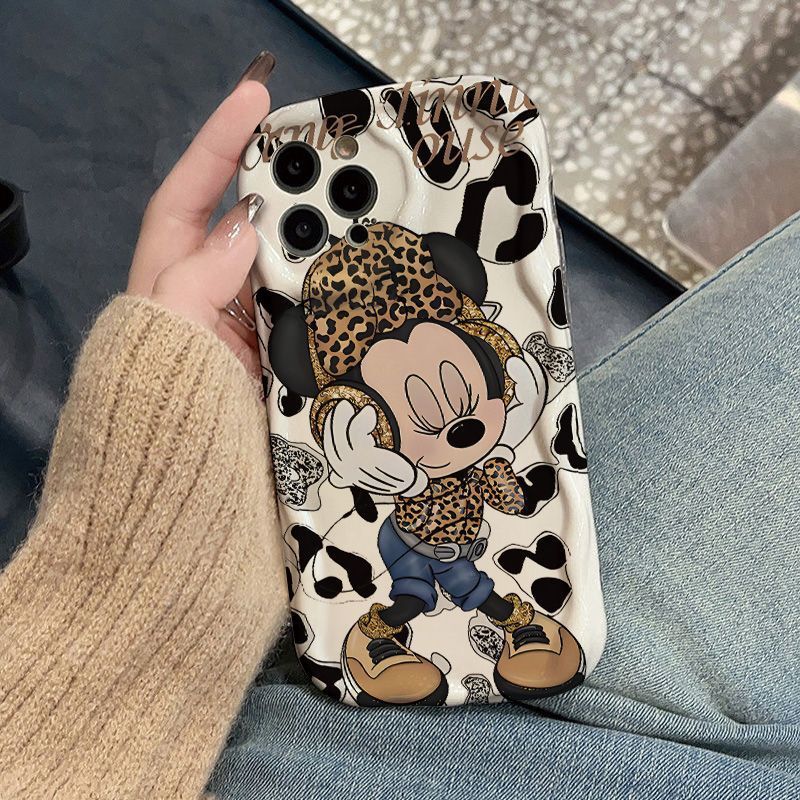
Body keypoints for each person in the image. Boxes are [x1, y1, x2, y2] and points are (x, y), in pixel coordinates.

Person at [1, 51, 798, 799]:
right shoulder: (372, 449)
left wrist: (137, 584)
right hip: (348, 672)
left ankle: (462, 632)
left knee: (475, 584)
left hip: (265, 743)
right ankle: (402, 636)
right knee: (429, 588)